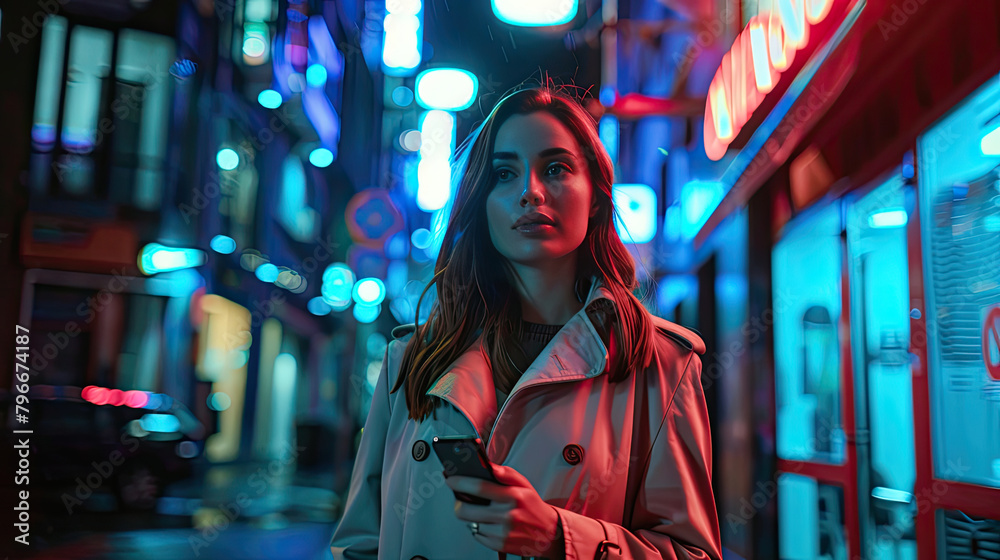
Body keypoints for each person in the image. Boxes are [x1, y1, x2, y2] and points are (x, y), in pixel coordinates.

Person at [330, 84, 722, 560]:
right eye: (504, 173)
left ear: (596, 197)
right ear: (481, 201)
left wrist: (559, 538)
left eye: (556, 168)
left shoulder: (658, 364)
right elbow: (359, 545)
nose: (531, 193)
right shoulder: (410, 361)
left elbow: (693, 553)